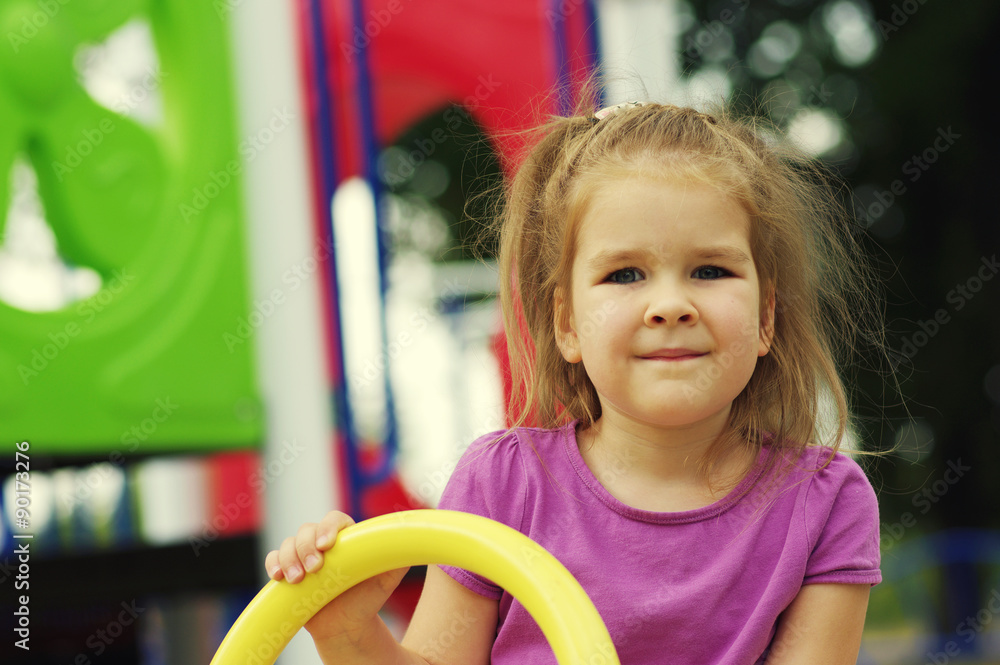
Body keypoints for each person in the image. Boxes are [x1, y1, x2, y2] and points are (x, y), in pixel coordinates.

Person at [264, 97, 888, 665]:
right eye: (623, 275)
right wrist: (347, 633)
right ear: (566, 324)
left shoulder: (824, 502)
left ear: (766, 317)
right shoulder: (504, 486)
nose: (669, 306)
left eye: (709, 269)